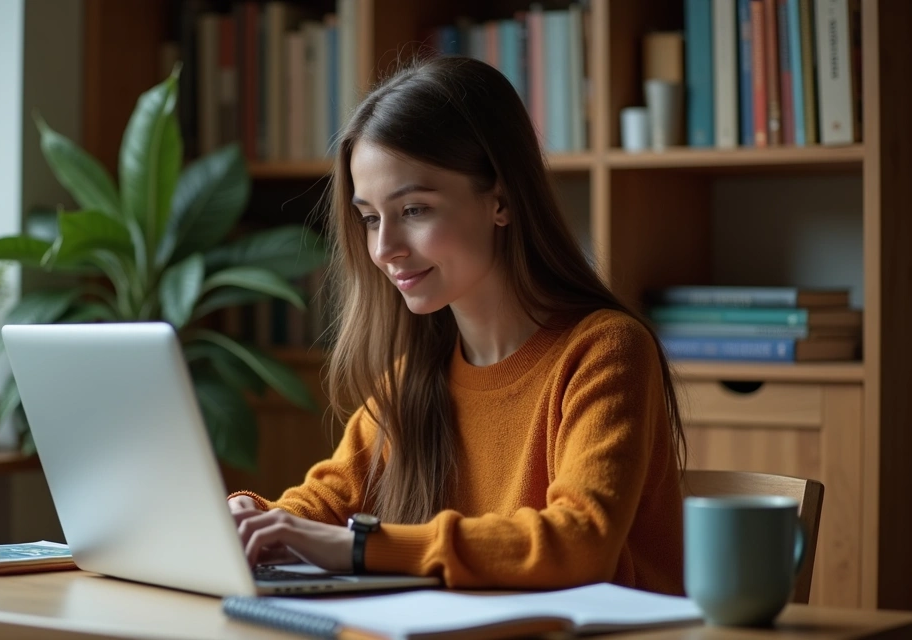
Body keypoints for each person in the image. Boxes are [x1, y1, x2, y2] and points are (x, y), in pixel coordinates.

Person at [228, 55, 686, 594]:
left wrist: (361, 548)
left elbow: (580, 540)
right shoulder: (414, 377)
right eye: (370, 217)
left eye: (414, 210)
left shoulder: (604, 351)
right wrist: (250, 515)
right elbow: (325, 503)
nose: (384, 249)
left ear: (501, 200)